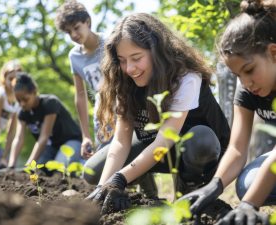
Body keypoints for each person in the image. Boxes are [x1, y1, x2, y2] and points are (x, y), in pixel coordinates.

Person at [84, 13, 230, 214]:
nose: (130, 68)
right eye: (122, 60)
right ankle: (144, 192)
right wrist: (105, 187)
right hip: (153, 143)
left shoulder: (185, 76)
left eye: (136, 58)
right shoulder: (123, 80)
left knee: (201, 141)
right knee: (92, 171)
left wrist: (121, 177)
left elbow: (164, 141)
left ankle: (190, 188)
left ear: (157, 51)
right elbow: (121, 142)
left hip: (199, 149)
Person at [178, 1, 276, 224]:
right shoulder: (248, 88)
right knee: (247, 184)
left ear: (273, 52)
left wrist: (249, 205)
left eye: (249, 70)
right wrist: (214, 185)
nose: (245, 82)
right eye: (238, 75)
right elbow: (237, 148)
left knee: (252, 192)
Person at [55, 0, 106, 159]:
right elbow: (81, 94)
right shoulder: (74, 56)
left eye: (76, 28)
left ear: (88, 22)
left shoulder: (109, 42)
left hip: (123, 106)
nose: (74, 35)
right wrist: (86, 136)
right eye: (69, 32)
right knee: (99, 166)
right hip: (102, 113)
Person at [7, 72, 83, 169]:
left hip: (71, 141)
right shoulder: (23, 113)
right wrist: (11, 165)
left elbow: (43, 138)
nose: (22, 104)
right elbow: (18, 138)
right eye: (18, 101)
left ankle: (82, 163)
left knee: (59, 170)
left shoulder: (50, 103)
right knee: (40, 170)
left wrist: (29, 164)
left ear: (34, 92)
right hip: (51, 147)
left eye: (25, 99)